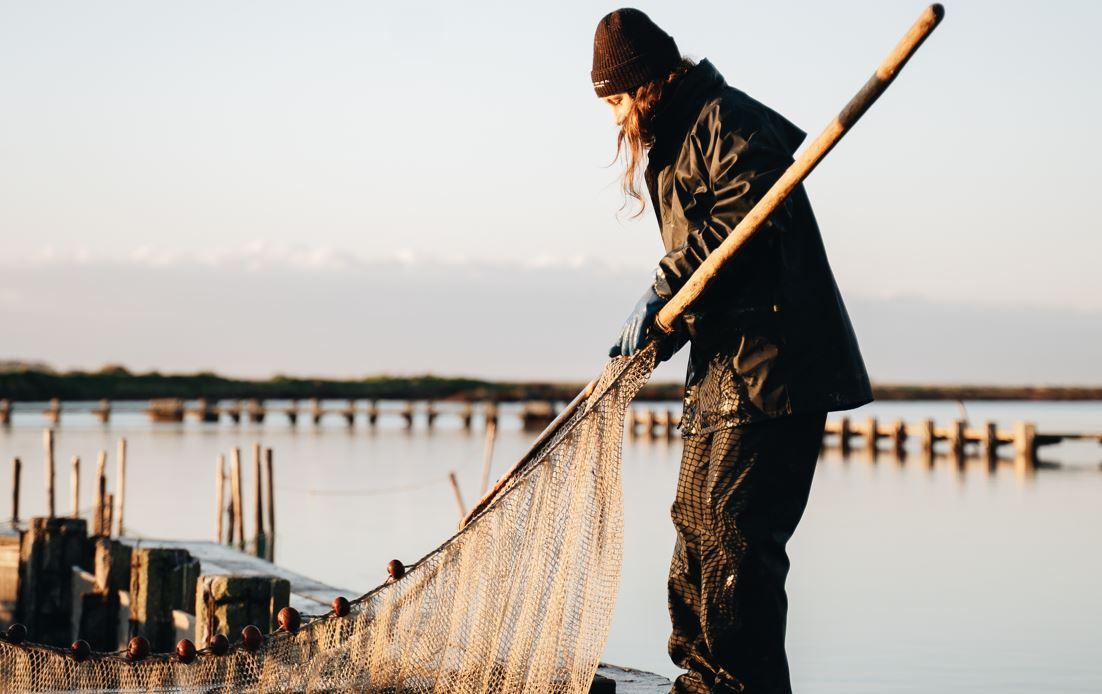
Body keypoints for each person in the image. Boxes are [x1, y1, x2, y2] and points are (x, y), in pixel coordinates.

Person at [591, 9, 873, 694]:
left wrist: (662, 285)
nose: (615, 119)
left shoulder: (724, 118)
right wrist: (662, 328)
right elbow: (714, 272)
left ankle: (739, 688)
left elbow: (746, 218)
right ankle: (704, 681)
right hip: (724, 372)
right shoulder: (679, 141)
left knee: (734, 543)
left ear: (648, 84)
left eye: (617, 100)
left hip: (776, 373)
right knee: (695, 529)